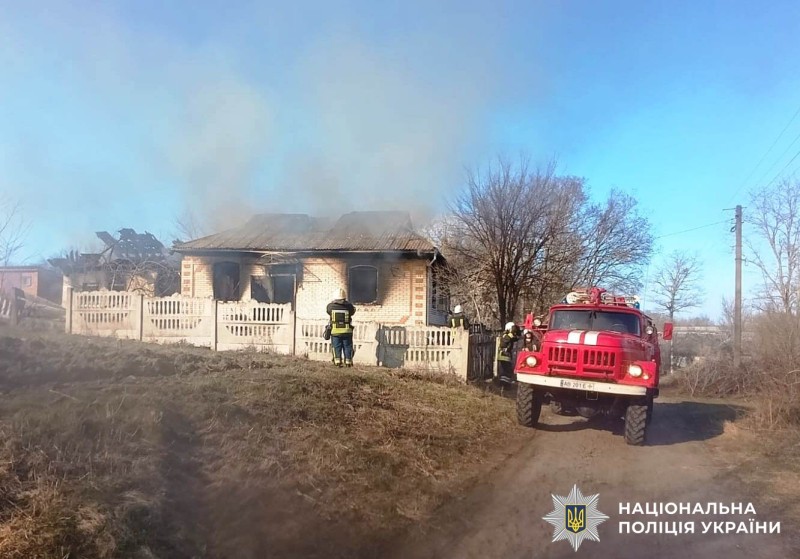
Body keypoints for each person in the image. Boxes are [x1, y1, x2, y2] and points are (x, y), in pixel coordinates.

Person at [326, 287, 356, 367]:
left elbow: (328, 312)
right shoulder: (349, 306)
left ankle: (337, 362)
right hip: (347, 331)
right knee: (347, 346)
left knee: (336, 347)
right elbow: (353, 311)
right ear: (344, 297)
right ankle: (348, 362)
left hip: (335, 331)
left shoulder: (330, 306)